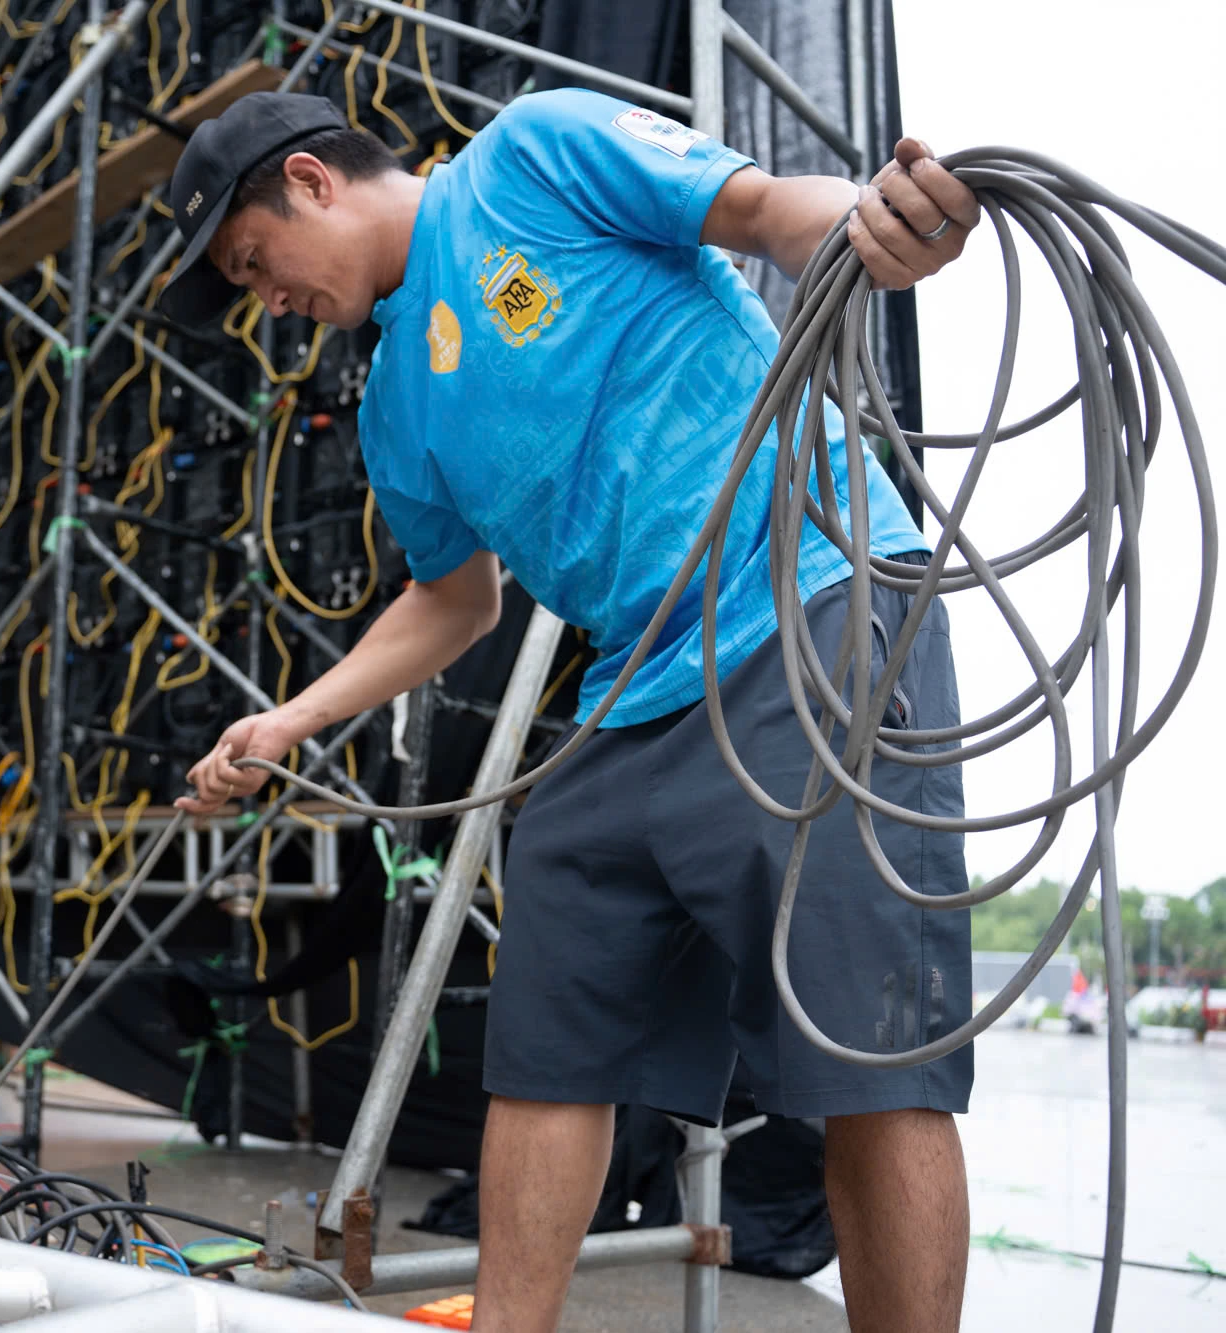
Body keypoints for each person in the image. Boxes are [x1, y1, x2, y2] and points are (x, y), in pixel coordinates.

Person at [163, 91, 981, 1332]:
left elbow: (766, 214)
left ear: (313, 182)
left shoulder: (528, 159)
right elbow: (452, 601)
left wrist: (875, 225)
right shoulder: (395, 403)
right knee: (547, 1047)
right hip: (629, 694)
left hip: (806, 610)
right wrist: (289, 719)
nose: (265, 301)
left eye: (252, 262)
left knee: (872, 1061)